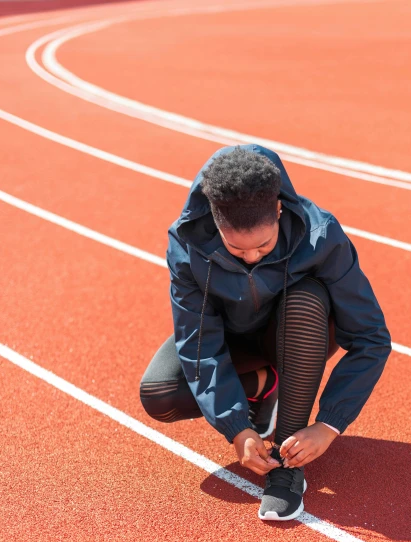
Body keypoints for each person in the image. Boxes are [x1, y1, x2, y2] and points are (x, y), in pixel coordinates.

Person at [140, 145, 391, 521]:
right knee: (160, 395)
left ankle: (287, 471)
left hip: (300, 331)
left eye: (263, 245)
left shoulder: (321, 235)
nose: (253, 257)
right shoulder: (187, 245)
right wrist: (237, 428)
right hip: (235, 338)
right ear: (215, 218)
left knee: (306, 298)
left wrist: (328, 424)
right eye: (237, 249)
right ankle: (263, 386)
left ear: (278, 210)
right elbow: (199, 344)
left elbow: (371, 337)